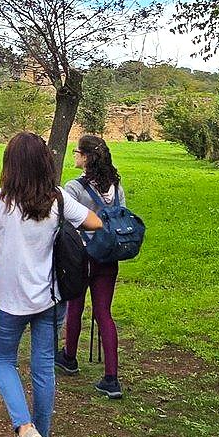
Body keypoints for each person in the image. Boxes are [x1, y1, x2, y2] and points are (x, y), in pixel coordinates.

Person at [0, 132, 104, 437]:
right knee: (44, 368)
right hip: (50, 297)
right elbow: (94, 222)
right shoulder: (58, 199)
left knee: (2, 361)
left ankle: (24, 429)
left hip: (9, 298)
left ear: (10, 166)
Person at [61, 135, 126, 398]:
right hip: (109, 256)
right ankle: (111, 377)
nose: (74, 155)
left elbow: (66, 219)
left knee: (75, 305)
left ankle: (69, 356)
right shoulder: (116, 186)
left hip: (82, 256)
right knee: (104, 313)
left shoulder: (74, 188)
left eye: (77, 152)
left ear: (86, 157)